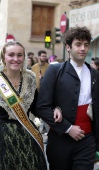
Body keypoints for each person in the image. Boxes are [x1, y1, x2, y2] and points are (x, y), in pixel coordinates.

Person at [0, 41, 49, 170]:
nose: (16, 59)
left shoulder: (30, 79)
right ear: (3, 57)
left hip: (27, 138)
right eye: (11, 55)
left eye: (19, 55)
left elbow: (36, 108)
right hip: (1, 140)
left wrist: (56, 110)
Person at [36, 26, 99, 170]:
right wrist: (68, 128)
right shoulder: (55, 70)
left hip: (87, 140)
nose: (83, 48)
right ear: (68, 47)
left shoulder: (95, 74)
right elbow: (41, 106)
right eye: (78, 44)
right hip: (60, 139)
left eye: (86, 45)